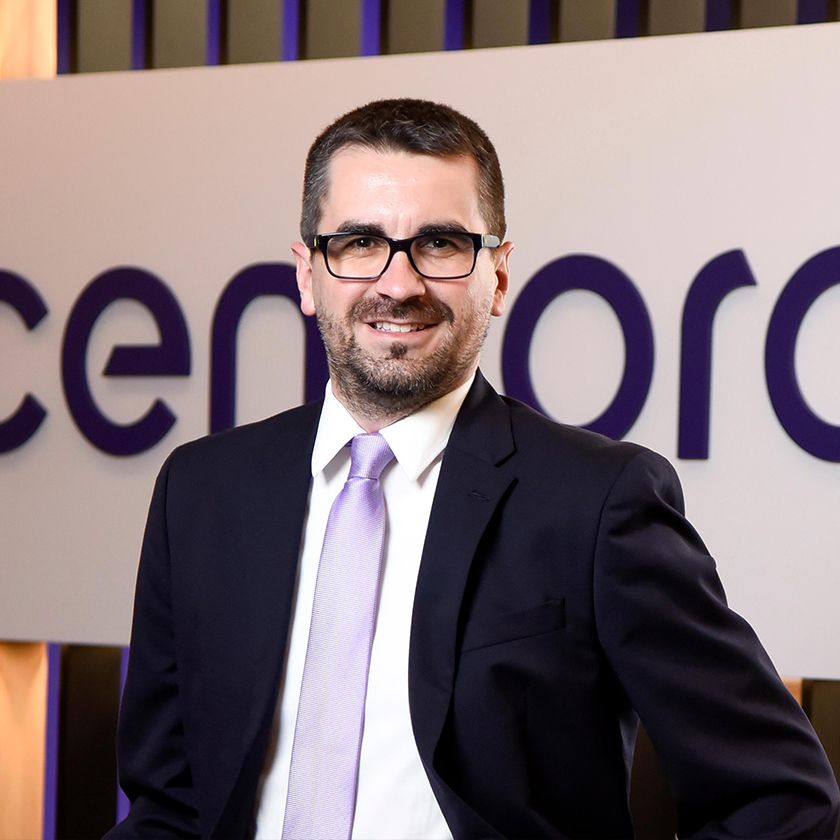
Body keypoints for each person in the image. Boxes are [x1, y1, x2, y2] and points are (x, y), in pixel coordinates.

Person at [107, 98, 839, 840]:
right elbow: (171, 807)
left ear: (497, 274)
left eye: (441, 243)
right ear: (307, 273)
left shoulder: (598, 503)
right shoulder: (202, 491)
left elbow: (779, 798)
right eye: (360, 242)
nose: (398, 283)